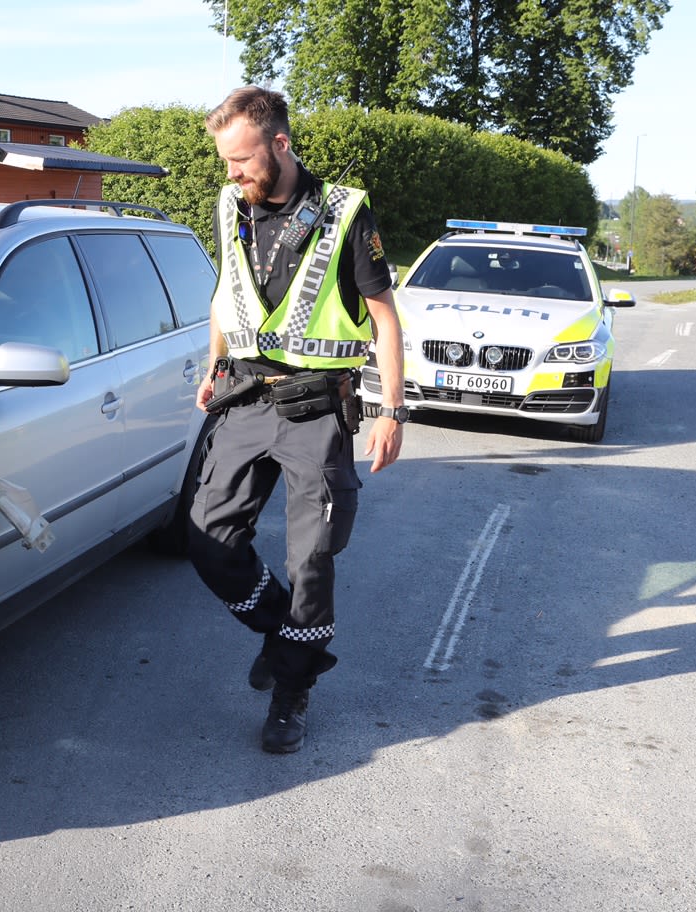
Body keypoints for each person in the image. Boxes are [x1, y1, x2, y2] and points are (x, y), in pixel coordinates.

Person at [189, 86, 407, 753]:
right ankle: (286, 634)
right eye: (226, 162)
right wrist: (213, 363)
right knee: (208, 538)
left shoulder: (345, 214)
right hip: (245, 394)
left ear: (279, 144)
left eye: (242, 160)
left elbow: (385, 319)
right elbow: (227, 292)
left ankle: (292, 690)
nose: (233, 173)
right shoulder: (231, 203)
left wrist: (392, 410)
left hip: (316, 406)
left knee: (311, 557)